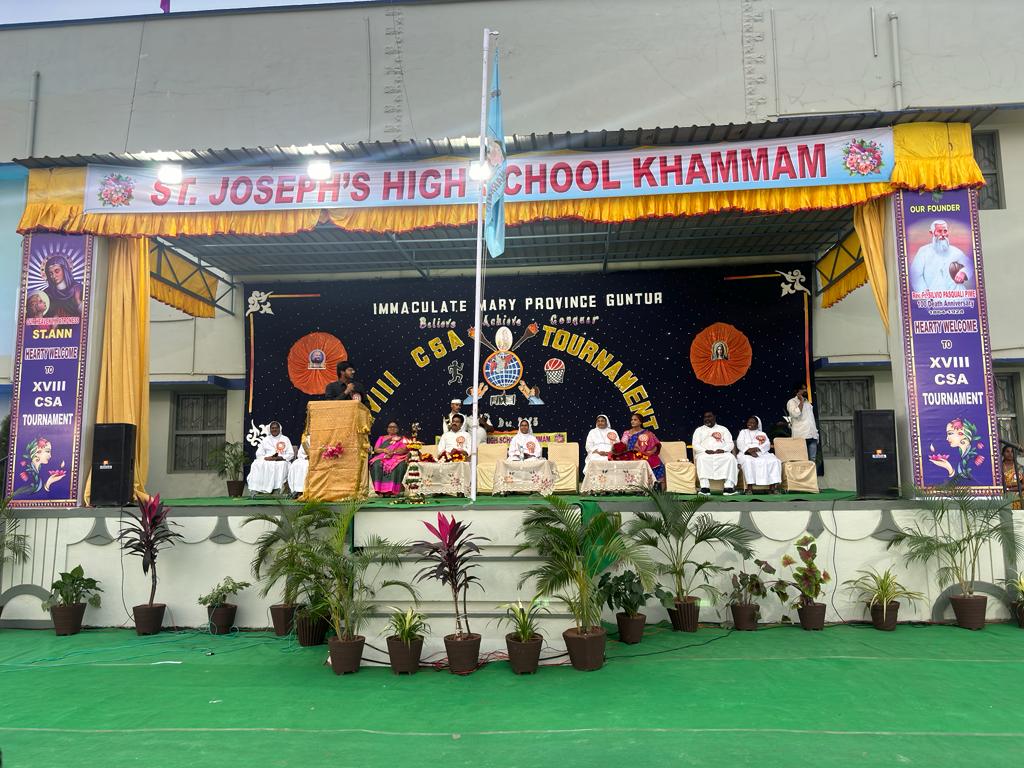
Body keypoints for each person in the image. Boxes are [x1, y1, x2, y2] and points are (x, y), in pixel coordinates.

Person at [909, 219, 972, 295]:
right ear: (931, 233)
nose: (943, 234)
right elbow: (915, 274)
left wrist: (963, 273)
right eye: (939, 231)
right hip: (933, 297)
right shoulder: (923, 251)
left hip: (956, 296)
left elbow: (969, 265)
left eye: (945, 231)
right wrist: (924, 292)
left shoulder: (955, 251)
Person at [692, 411, 738, 496]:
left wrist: (723, 450)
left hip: (721, 453)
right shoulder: (699, 430)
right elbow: (695, 444)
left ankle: (728, 488)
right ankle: (705, 488)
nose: (707, 419)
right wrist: (705, 450)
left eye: (709, 416)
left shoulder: (723, 429)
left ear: (714, 417)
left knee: (731, 458)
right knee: (702, 459)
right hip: (705, 453)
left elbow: (730, 443)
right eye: (705, 417)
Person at [736, 416, 782, 494]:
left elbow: (767, 444)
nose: (750, 424)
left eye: (752, 423)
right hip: (746, 453)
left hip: (761, 453)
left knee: (774, 461)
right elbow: (739, 443)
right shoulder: (743, 432)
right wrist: (749, 451)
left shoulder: (762, 434)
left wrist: (757, 448)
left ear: (757, 425)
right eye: (749, 422)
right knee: (748, 461)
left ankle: (772, 487)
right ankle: (749, 488)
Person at [246, 421, 294, 494]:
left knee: (281, 465)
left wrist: (280, 458)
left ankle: (278, 488)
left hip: (281, 460)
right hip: (267, 459)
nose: (274, 429)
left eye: (276, 428)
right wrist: (266, 458)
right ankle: (257, 488)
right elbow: (259, 453)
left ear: (279, 429)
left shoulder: (285, 439)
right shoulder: (266, 439)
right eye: (272, 428)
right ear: (270, 429)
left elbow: (291, 454)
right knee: (256, 464)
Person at [623, 412, 665, 490]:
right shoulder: (627, 433)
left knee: (658, 463)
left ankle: (659, 490)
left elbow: (656, 445)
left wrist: (651, 452)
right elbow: (623, 445)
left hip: (645, 454)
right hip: (632, 455)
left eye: (635, 420)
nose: (632, 421)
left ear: (640, 422)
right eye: (632, 420)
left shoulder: (648, 433)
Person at [369, 421, 410, 496]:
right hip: (383, 456)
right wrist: (384, 450)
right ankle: (379, 490)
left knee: (397, 465)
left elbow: (405, 449)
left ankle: (393, 490)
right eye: (390, 427)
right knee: (376, 464)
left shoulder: (402, 439)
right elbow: (376, 449)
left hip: (397, 457)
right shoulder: (382, 438)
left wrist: (393, 452)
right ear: (387, 429)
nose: (392, 428)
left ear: (397, 429)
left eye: (394, 427)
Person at [786, 383, 819, 461]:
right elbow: (795, 414)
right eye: (802, 389)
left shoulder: (807, 403)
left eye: (805, 388)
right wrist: (801, 402)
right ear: (797, 391)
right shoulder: (792, 402)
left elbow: (811, 420)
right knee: (801, 460)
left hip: (812, 436)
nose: (805, 390)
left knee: (812, 460)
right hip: (801, 436)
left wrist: (816, 433)